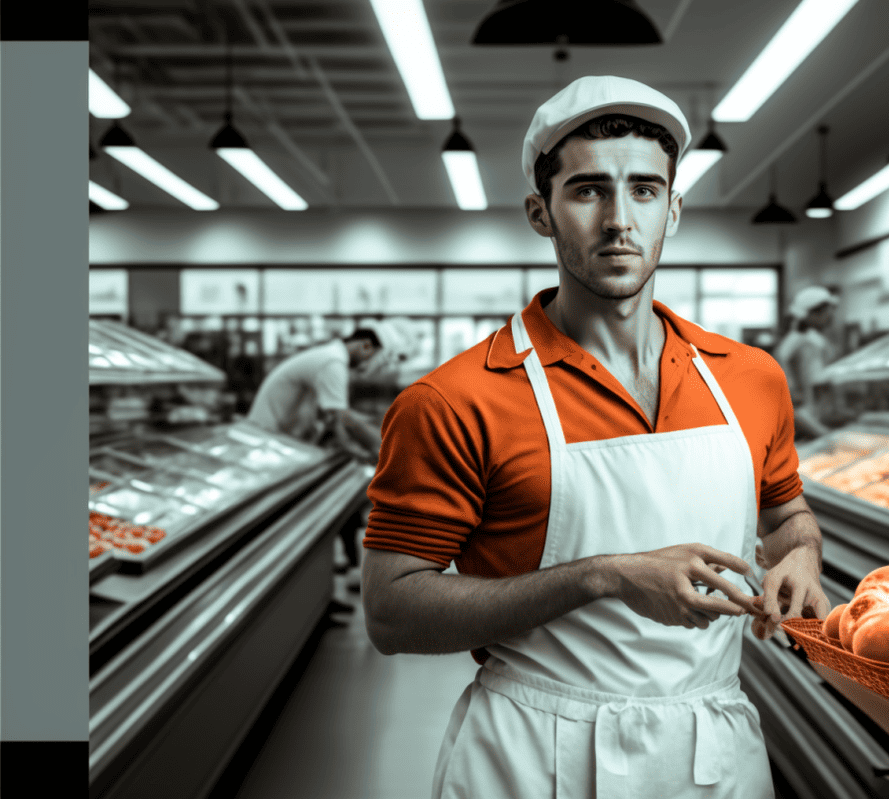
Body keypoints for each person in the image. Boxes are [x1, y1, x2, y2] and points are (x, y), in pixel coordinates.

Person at [361, 75, 832, 798]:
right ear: (540, 213)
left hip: (715, 748)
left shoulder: (752, 378)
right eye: (588, 191)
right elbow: (392, 612)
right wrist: (602, 574)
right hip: (531, 753)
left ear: (672, 211)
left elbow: (788, 515)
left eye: (645, 190)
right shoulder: (453, 399)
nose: (619, 219)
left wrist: (801, 551)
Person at [246, 325, 397, 600]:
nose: (369, 367)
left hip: (285, 447)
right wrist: (370, 448)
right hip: (271, 448)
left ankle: (318, 597)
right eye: (373, 357)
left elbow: (337, 418)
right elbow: (341, 417)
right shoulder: (332, 362)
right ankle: (299, 597)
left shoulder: (329, 358)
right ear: (364, 346)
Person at [775, 286, 840, 441]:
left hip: (810, 428)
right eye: (827, 311)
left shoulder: (803, 341)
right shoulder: (802, 345)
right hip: (805, 431)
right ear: (812, 313)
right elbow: (792, 403)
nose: (831, 316)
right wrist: (826, 435)